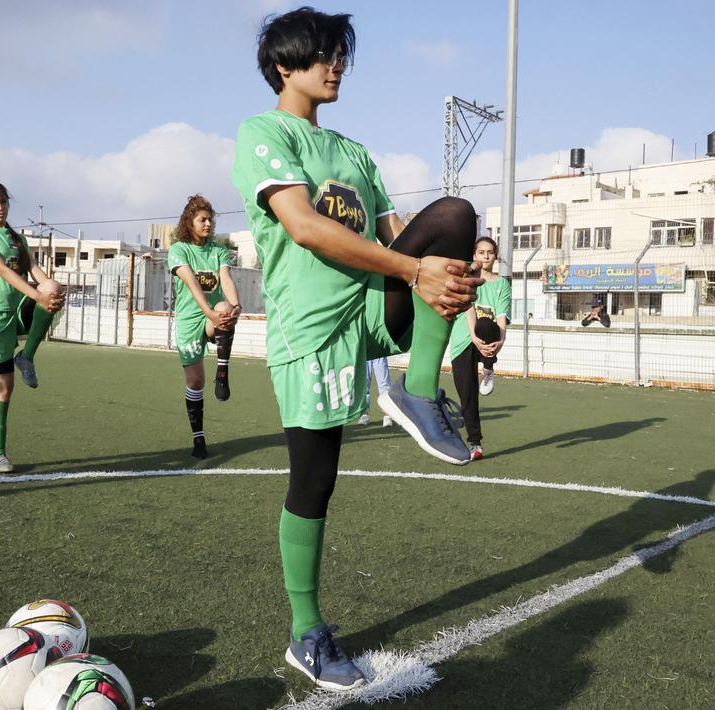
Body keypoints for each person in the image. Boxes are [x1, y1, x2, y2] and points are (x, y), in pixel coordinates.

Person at [231, 7, 481, 691]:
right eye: (321, 55)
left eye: (340, 54)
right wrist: (413, 271)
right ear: (285, 66)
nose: (335, 65)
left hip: (370, 311)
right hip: (311, 332)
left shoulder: (353, 152)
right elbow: (306, 227)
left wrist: (448, 278)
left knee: (453, 217)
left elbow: (402, 232)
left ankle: (418, 389)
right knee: (314, 484)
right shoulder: (263, 133)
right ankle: (305, 636)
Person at [0, 181, 64, 473]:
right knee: (4, 387)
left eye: (3, 202)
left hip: (19, 311)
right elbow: (2, 269)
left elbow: (35, 270)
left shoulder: (16, 239)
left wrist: (50, 292)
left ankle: (27, 356)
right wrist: (37, 295)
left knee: (53, 286)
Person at [168, 194, 241, 459]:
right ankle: (198, 437)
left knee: (226, 309)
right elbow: (192, 284)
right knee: (195, 381)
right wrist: (208, 312)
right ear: (190, 222)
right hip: (190, 320)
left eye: (210, 219)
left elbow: (226, 278)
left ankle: (223, 371)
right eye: (203, 219)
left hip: (212, 317)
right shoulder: (179, 250)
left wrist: (236, 306)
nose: (208, 224)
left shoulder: (218, 249)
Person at [448, 236, 511, 459]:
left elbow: (502, 317)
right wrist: (473, 338)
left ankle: (489, 368)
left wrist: (500, 342)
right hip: (464, 338)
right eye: (481, 252)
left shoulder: (502, 284)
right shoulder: (468, 278)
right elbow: (469, 309)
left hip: (487, 336)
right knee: (468, 394)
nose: (486, 256)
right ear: (474, 256)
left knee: (487, 323)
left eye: (490, 252)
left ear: (495, 256)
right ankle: (475, 443)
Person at [356, 355, 392, 427]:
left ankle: (387, 415)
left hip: (379, 350)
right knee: (364, 383)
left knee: (384, 383)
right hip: (365, 350)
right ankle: (364, 414)